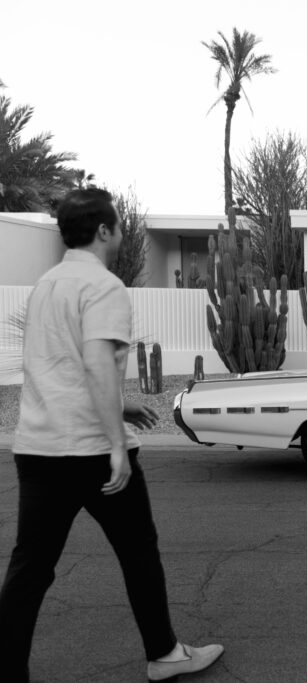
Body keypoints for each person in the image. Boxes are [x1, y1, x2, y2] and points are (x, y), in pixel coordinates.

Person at [0, 189, 224, 682]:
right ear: (103, 230)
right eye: (119, 225)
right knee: (138, 551)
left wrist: (122, 406)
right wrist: (117, 444)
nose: (122, 233)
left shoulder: (47, 285)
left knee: (31, 567)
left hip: (38, 449)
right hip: (92, 452)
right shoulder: (103, 287)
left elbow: (59, 366)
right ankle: (165, 655)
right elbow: (98, 364)